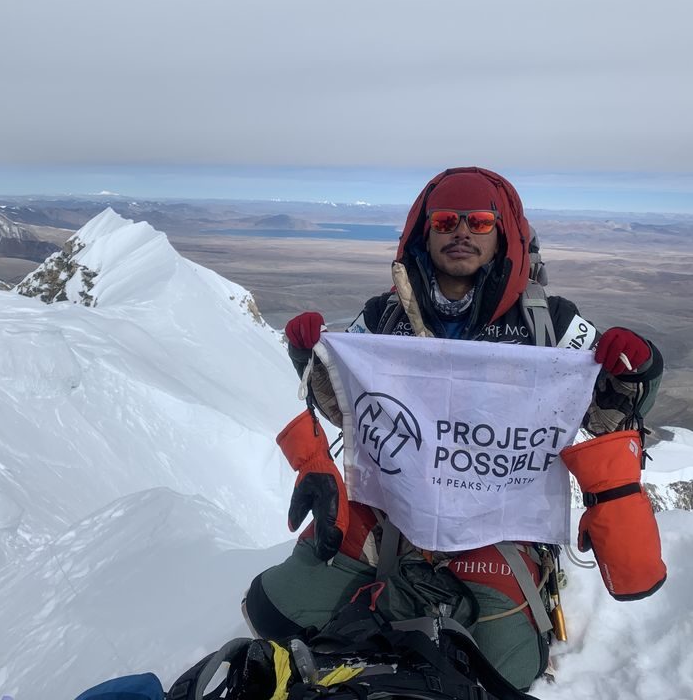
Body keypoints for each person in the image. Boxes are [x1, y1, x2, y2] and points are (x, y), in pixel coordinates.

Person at [243, 167, 664, 691]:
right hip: (395, 506)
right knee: (274, 612)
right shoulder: (383, 318)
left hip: (501, 518)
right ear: (424, 233)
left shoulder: (550, 323)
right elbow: (352, 409)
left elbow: (601, 416)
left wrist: (633, 374)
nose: (461, 231)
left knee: (499, 674)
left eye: (479, 221)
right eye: (445, 220)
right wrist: (307, 355)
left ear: (502, 233)